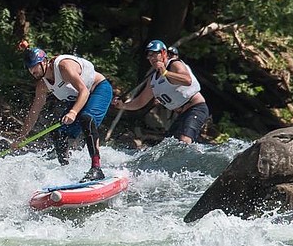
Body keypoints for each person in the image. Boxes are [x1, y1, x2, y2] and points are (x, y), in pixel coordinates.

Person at [12, 47, 114, 182]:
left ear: (44, 62)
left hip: (98, 90)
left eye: (34, 66)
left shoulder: (63, 66)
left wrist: (73, 112)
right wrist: (21, 137)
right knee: (58, 133)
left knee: (86, 119)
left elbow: (84, 91)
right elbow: (34, 112)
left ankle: (96, 169)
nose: (32, 71)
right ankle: (66, 171)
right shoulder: (42, 85)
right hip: (79, 99)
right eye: (29, 68)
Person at [112, 39, 209, 144]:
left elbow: (187, 80)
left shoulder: (174, 64)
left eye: (154, 54)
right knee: (167, 146)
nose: (151, 58)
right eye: (149, 55)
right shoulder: (153, 79)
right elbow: (141, 101)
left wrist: (165, 73)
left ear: (163, 53)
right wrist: (124, 106)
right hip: (182, 114)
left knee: (184, 140)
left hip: (196, 108)